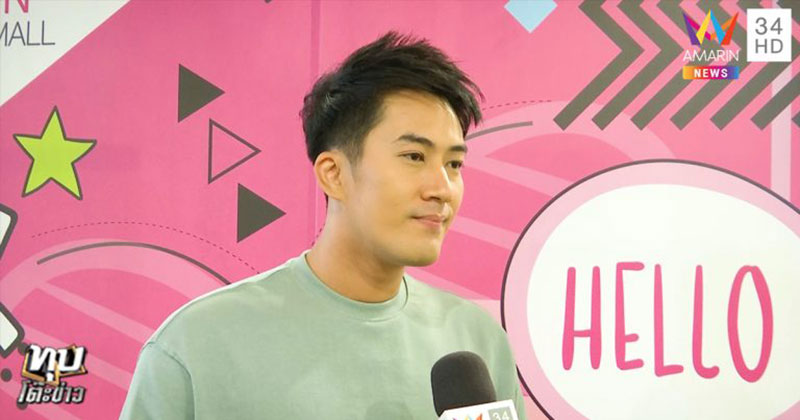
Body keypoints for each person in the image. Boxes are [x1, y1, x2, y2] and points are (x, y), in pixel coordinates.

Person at [120, 31, 527, 419]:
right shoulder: (196, 344)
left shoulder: (477, 341)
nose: (442, 188)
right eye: (414, 157)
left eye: (454, 164)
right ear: (333, 174)